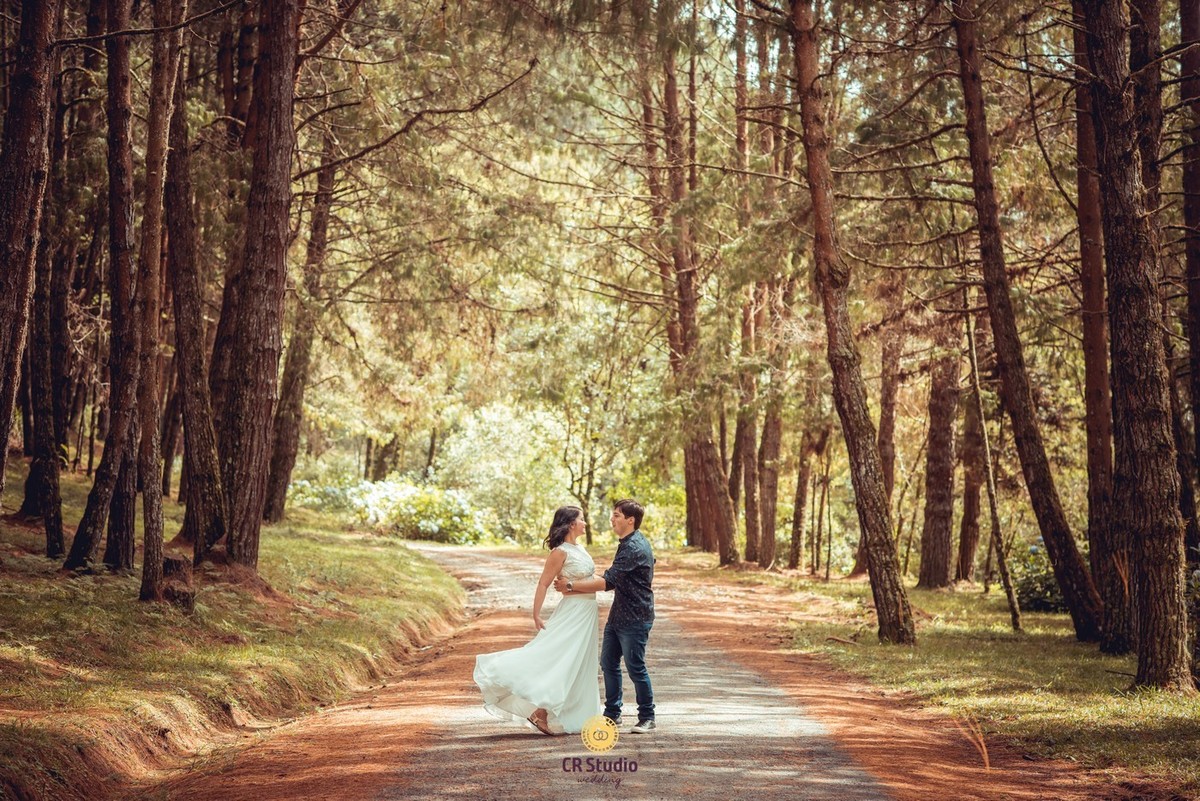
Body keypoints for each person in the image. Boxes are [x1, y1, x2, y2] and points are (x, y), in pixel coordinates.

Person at [473, 506, 602, 735]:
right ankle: (537, 708)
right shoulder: (560, 552)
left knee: (580, 663)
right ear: (571, 524)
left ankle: (564, 712)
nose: (585, 523)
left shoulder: (581, 549)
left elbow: (593, 578)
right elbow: (543, 583)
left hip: (588, 613)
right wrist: (536, 614)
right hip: (573, 612)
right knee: (562, 660)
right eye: (581, 519)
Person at [554, 499, 656, 734]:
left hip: (636, 616)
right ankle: (612, 714)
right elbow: (614, 580)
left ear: (631, 520)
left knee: (635, 667)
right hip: (619, 614)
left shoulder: (634, 547)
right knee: (608, 663)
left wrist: (570, 585)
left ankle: (648, 716)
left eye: (617, 515)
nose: (612, 518)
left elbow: (607, 582)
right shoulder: (627, 543)